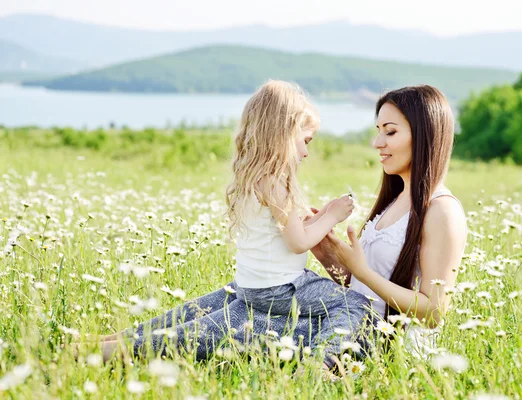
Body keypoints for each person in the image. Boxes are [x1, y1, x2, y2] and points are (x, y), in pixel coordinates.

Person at [93, 80, 370, 367]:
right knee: (354, 303)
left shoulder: (255, 178)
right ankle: (322, 363)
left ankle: (105, 342)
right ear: (285, 134)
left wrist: (321, 216)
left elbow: (285, 234)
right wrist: (333, 216)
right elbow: (298, 242)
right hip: (281, 288)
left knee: (193, 315)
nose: (306, 153)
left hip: (250, 285)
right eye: (306, 141)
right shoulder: (277, 181)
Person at [311, 85, 467, 357]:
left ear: (424, 134)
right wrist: (327, 252)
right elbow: (364, 287)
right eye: (378, 130)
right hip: (350, 325)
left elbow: (433, 313)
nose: (377, 142)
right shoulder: (395, 200)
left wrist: (363, 272)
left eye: (390, 131)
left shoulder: (442, 211)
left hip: (384, 346)